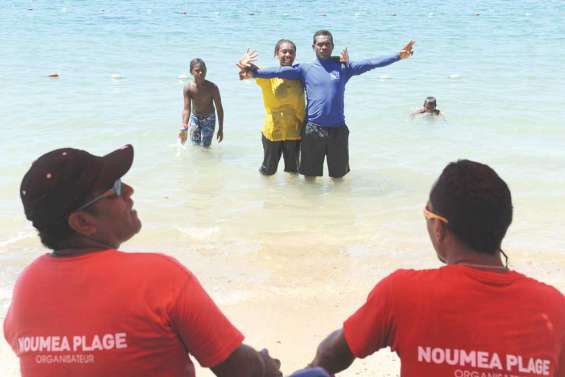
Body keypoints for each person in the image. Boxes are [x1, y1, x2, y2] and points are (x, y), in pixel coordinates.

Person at [3, 144, 282, 377]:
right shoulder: (159, 277)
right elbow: (237, 369)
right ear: (83, 222)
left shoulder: (26, 285)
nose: (129, 191)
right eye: (115, 187)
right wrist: (265, 365)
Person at [307, 160, 565, 376]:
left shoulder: (402, 293)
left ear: (439, 229)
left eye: (428, 216)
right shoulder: (555, 308)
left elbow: (332, 354)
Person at [240, 30, 415, 179]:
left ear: (332, 46)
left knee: (338, 178)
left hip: (338, 130)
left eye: (327, 44)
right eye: (320, 44)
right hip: (312, 130)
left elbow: (371, 63)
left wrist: (399, 56)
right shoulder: (304, 69)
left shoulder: (344, 67)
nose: (323, 47)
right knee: (309, 178)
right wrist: (252, 71)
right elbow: (277, 71)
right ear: (313, 47)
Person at [238, 40, 305, 175]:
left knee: (293, 171)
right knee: (268, 170)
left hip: (295, 131)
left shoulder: (299, 75)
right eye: (284, 51)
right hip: (273, 131)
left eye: (291, 52)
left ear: (295, 55)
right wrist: (244, 63)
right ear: (276, 54)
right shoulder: (268, 75)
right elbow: (247, 73)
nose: (287, 55)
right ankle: (266, 194)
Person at [180, 58, 224, 147]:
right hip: (195, 118)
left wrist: (220, 128)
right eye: (197, 70)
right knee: (195, 145)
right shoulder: (188, 88)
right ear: (191, 72)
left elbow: (219, 108)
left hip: (209, 119)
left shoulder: (212, 88)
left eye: (203, 70)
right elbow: (186, 109)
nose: (201, 73)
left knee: (206, 146)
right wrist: (184, 127)